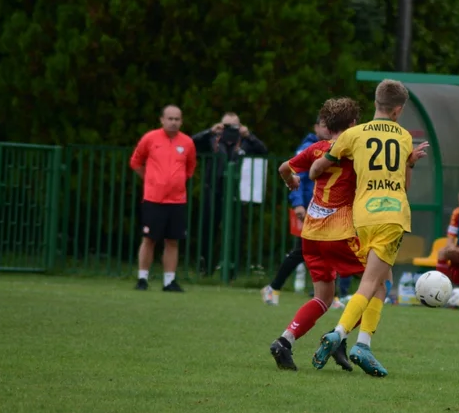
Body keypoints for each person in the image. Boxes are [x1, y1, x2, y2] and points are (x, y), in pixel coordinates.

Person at [309, 79, 429, 377]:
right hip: (391, 216)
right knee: (371, 282)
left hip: (362, 216)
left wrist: (314, 170)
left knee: (382, 283)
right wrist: (410, 162)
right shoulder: (403, 137)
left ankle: (364, 344)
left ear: (376, 102)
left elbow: (317, 169)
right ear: (398, 110)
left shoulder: (353, 134)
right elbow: (404, 185)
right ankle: (340, 333)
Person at [268, 98, 365, 371]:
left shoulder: (315, 149)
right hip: (339, 232)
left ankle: (284, 341)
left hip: (311, 233)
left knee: (322, 297)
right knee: (378, 285)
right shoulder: (353, 150)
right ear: (352, 125)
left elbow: (284, 168)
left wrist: (292, 183)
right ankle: (338, 337)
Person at [261, 113, 340, 306]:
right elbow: (296, 177)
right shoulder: (308, 149)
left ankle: (325, 294)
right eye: (323, 125)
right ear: (315, 127)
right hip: (310, 209)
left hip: (324, 209)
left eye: (329, 126)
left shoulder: (332, 148)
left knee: (320, 250)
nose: (326, 129)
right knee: (303, 251)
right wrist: (298, 204)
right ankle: (274, 287)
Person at [129, 104, 197, 292]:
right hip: (153, 199)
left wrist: (177, 181)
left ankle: (169, 281)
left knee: (172, 240)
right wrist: (151, 179)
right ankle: (142, 278)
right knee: (149, 238)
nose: (173, 122)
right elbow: (135, 162)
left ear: (181, 121)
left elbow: (190, 168)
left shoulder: (187, 143)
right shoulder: (150, 138)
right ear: (162, 119)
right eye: (170, 118)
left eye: (177, 119)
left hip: (177, 201)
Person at [191, 112, 268, 275]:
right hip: (213, 188)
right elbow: (191, 144)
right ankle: (205, 266)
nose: (230, 130)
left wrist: (250, 136)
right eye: (226, 126)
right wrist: (209, 131)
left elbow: (264, 151)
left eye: (234, 126)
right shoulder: (212, 139)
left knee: (236, 230)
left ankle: (233, 269)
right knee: (208, 228)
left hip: (236, 191)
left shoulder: (246, 141)